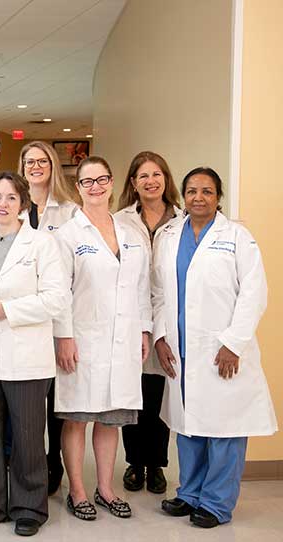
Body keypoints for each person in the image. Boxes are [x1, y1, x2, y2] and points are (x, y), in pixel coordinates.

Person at [153, 167, 277, 528]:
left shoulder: (237, 236)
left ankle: (216, 504)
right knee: (188, 427)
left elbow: (255, 293)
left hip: (222, 349)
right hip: (181, 349)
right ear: (184, 195)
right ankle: (189, 493)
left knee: (225, 430)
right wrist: (161, 336)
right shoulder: (169, 234)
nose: (198, 197)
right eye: (191, 191)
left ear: (218, 197)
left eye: (207, 191)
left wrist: (233, 343)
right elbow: (159, 292)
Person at [0, 172, 66, 536]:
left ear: (23, 204)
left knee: (26, 434)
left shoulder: (42, 244)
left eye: (10, 197)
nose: (2, 204)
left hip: (24, 354)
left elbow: (57, 299)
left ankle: (29, 506)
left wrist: (6, 309)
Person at [53, 156, 151, 521]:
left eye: (101, 179)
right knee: (77, 417)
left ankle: (105, 489)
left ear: (111, 183)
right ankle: (78, 490)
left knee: (111, 419)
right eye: (87, 181)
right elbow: (59, 292)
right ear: (77, 188)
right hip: (82, 341)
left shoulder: (130, 233)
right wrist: (63, 337)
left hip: (124, 340)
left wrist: (144, 329)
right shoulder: (67, 235)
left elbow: (141, 287)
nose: (95, 187)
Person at [115, 152, 183, 495]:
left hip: (169, 318)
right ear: (133, 183)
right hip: (131, 318)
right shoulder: (120, 221)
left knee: (160, 394)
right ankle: (133, 462)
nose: (150, 181)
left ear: (166, 179)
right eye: (143, 176)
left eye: (157, 174)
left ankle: (156, 464)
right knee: (134, 394)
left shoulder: (183, 220)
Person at [16, 140, 78, 495]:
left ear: (52, 166)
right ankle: (27, 464)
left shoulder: (69, 212)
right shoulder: (12, 207)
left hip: (55, 320)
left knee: (56, 400)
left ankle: (52, 462)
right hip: (20, 319)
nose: (36, 167)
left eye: (42, 161)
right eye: (29, 161)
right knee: (25, 403)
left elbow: (72, 277)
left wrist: (66, 332)